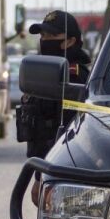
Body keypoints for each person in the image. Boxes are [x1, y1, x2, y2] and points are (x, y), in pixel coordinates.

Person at [16, 10, 90, 159]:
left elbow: (70, 133)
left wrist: (42, 175)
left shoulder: (73, 76)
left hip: (59, 165)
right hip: (42, 164)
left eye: (51, 36)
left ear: (70, 41)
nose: (44, 40)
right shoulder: (46, 72)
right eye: (43, 36)